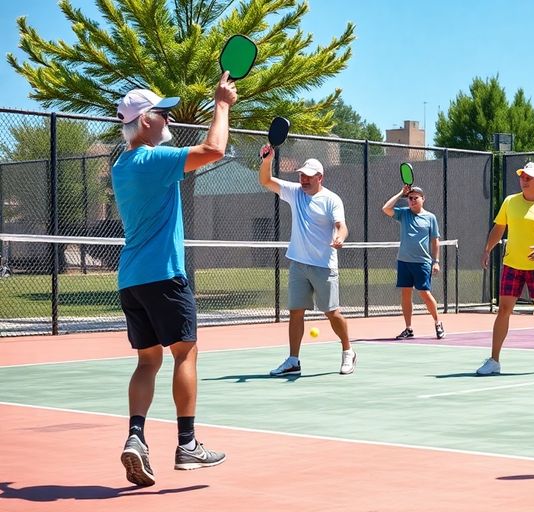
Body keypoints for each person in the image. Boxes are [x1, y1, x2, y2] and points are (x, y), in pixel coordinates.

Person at [112, 72, 235, 487]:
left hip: (131, 279)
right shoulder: (151, 160)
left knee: (148, 360)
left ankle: (136, 436)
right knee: (186, 353)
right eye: (162, 113)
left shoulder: (122, 166)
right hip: (164, 275)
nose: (168, 119)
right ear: (144, 120)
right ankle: (187, 444)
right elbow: (214, 148)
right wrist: (222, 103)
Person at [258, 150, 355, 377]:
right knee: (295, 313)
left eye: (309, 176)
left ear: (320, 177)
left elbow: (342, 226)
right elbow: (265, 180)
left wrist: (340, 237)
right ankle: (293, 360)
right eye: (302, 174)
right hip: (298, 263)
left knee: (332, 312)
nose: (303, 178)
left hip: (324, 265)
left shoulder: (332, 199)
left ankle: (348, 351)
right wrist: (268, 161)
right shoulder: (294, 192)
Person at [478, 162, 534, 375]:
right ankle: (494, 361)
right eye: (522, 176)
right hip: (512, 265)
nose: (524, 179)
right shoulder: (510, 202)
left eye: (529, 177)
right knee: (504, 310)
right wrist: (488, 249)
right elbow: (499, 228)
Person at [382, 185, 445, 339]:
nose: (412, 200)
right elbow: (385, 208)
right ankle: (408, 328)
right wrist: (400, 193)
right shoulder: (403, 214)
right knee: (405, 295)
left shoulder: (430, 218)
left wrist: (435, 261)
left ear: (423, 199)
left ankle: (438, 322)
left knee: (425, 294)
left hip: (422, 262)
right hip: (404, 261)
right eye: (410, 198)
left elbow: (435, 241)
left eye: (415, 197)